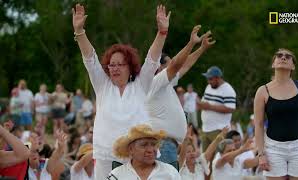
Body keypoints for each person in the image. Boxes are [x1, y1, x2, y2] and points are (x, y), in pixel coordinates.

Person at [72, 3, 170, 177]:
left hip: (138, 155)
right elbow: (90, 59)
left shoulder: (141, 83)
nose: (115, 68)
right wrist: (80, 32)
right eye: (111, 65)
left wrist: (162, 33)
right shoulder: (102, 84)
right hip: (105, 155)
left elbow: (152, 60)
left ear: (130, 66)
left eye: (120, 64)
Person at [145, 26, 214, 168]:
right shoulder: (155, 82)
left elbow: (184, 66)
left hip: (167, 146)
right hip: (163, 145)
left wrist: (201, 49)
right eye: (168, 64)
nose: (173, 66)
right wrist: (191, 43)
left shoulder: (165, 84)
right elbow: (177, 64)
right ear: (159, 67)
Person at [254, 48, 298, 179]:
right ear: (273, 64)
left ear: (293, 66)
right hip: (274, 147)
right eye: (279, 55)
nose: (283, 57)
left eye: (288, 56)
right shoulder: (262, 91)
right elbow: (259, 124)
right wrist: (261, 154)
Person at [108, 124, 181, 180]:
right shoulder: (117, 175)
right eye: (144, 145)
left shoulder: (170, 172)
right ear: (131, 149)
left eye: (153, 144)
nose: (150, 150)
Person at [197, 66, 236, 151]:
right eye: (207, 79)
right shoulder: (208, 87)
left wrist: (210, 107)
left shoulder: (228, 90)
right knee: (205, 159)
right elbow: (205, 103)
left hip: (219, 130)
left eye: (210, 79)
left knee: (217, 158)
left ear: (218, 78)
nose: (208, 81)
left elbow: (231, 108)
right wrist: (199, 104)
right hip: (205, 129)